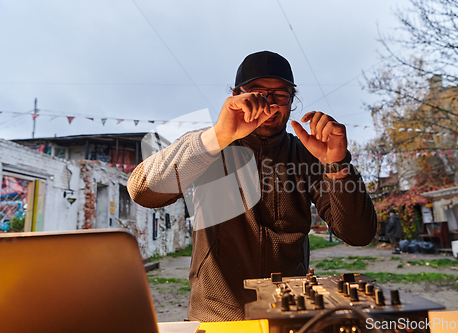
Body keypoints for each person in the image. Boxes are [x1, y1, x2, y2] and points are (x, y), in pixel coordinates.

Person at [127, 51, 377, 322]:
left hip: (289, 316)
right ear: (236, 96)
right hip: (216, 318)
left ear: (292, 101)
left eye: (280, 95)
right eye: (258, 93)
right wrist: (218, 137)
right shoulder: (208, 147)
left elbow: (359, 234)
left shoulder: (306, 155)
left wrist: (337, 164)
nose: (269, 104)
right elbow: (142, 191)